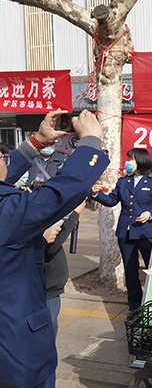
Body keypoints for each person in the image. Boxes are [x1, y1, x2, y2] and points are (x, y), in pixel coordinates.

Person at [0, 109, 109, 388]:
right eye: (2, 157)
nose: (6, 160)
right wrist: (90, 143)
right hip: (17, 357)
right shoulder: (7, 212)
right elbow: (59, 194)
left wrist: (36, 142)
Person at [92, 148, 152, 311]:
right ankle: (135, 307)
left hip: (146, 232)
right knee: (130, 270)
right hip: (125, 233)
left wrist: (149, 213)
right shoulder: (122, 182)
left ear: (141, 162)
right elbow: (112, 201)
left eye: (131, 159)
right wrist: (96, 194)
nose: (128, 163)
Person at [45, 200, 85, 337]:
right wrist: (74, 214)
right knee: (46, 336)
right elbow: (51, 245)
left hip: (48, 288)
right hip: (45, 290)